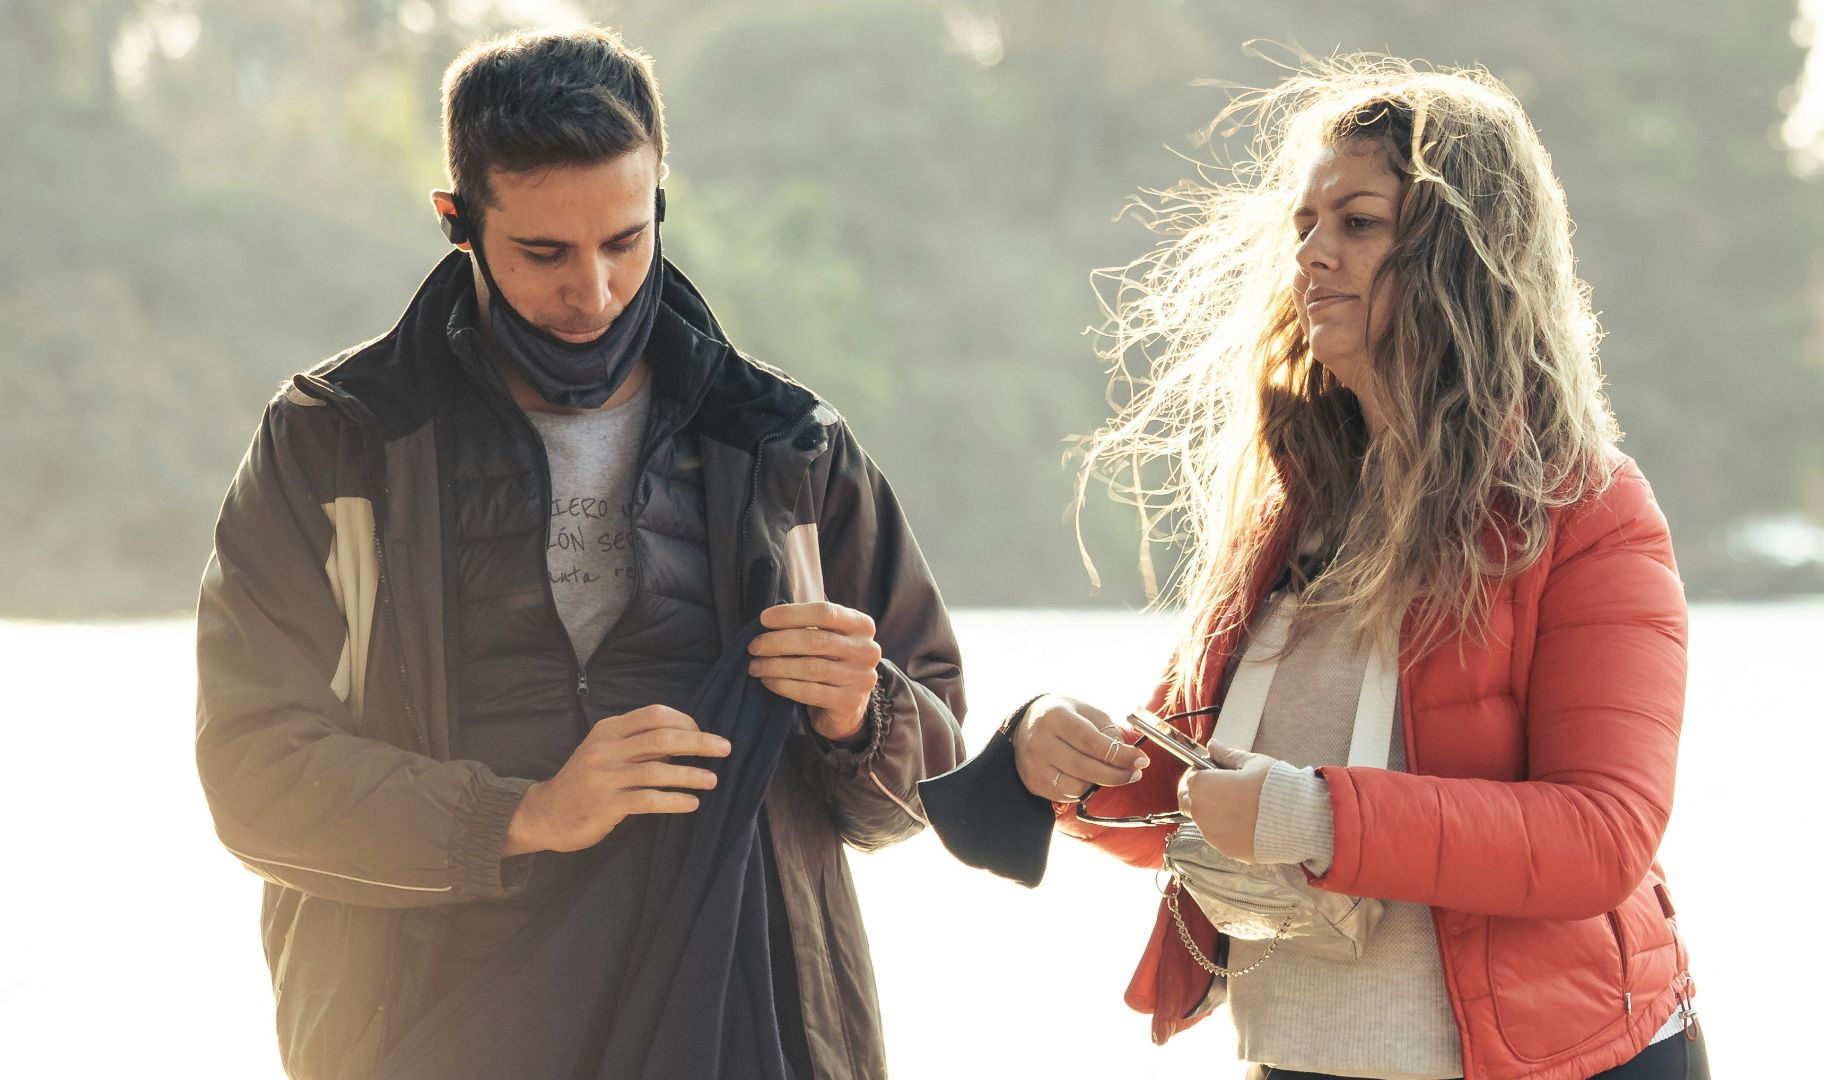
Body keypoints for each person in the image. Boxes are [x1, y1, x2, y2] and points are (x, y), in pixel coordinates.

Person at [194, 26, 964, 1080]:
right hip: (422, 1021)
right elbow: (252, 775)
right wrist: (526, 814)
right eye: (544, 253)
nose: (594, 290)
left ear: (661, 203)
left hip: (739, 1019)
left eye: (625, 240)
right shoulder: (333, 441)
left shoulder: (786, 443)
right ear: (457, 223)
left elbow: (932, 772)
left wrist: (856, 715)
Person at [922, 59, 1707, 1079]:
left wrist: (1316, 816)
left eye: (1359, 224)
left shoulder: (1586, 510)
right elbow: (1202, 796)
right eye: (1304, 227)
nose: (1312, 258)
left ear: (1463, 254)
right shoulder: (1298, 512)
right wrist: (1054, 758)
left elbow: (1601, 835)